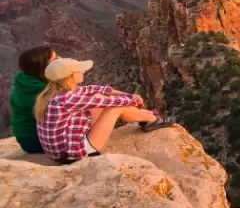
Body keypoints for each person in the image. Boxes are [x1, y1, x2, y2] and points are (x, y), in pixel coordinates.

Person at [35, 57, 174, 163]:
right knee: (115, 108)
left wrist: (128, 95)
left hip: (64, 147)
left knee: (98, 95)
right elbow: (108, 102)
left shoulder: (57, 91)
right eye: (79, 69)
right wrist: (133, 100)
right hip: (73, 154)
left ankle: (147, 117)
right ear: (70, 76)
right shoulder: (65, 99)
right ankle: (152, 118)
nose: (83, 71)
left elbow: (95, 89)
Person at [10, 45, 57, 153]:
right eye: (54, 60)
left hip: (26, 137)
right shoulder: (39, 91)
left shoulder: (25, 78)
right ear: (43, 67)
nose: (60, 61)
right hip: (34, 141)